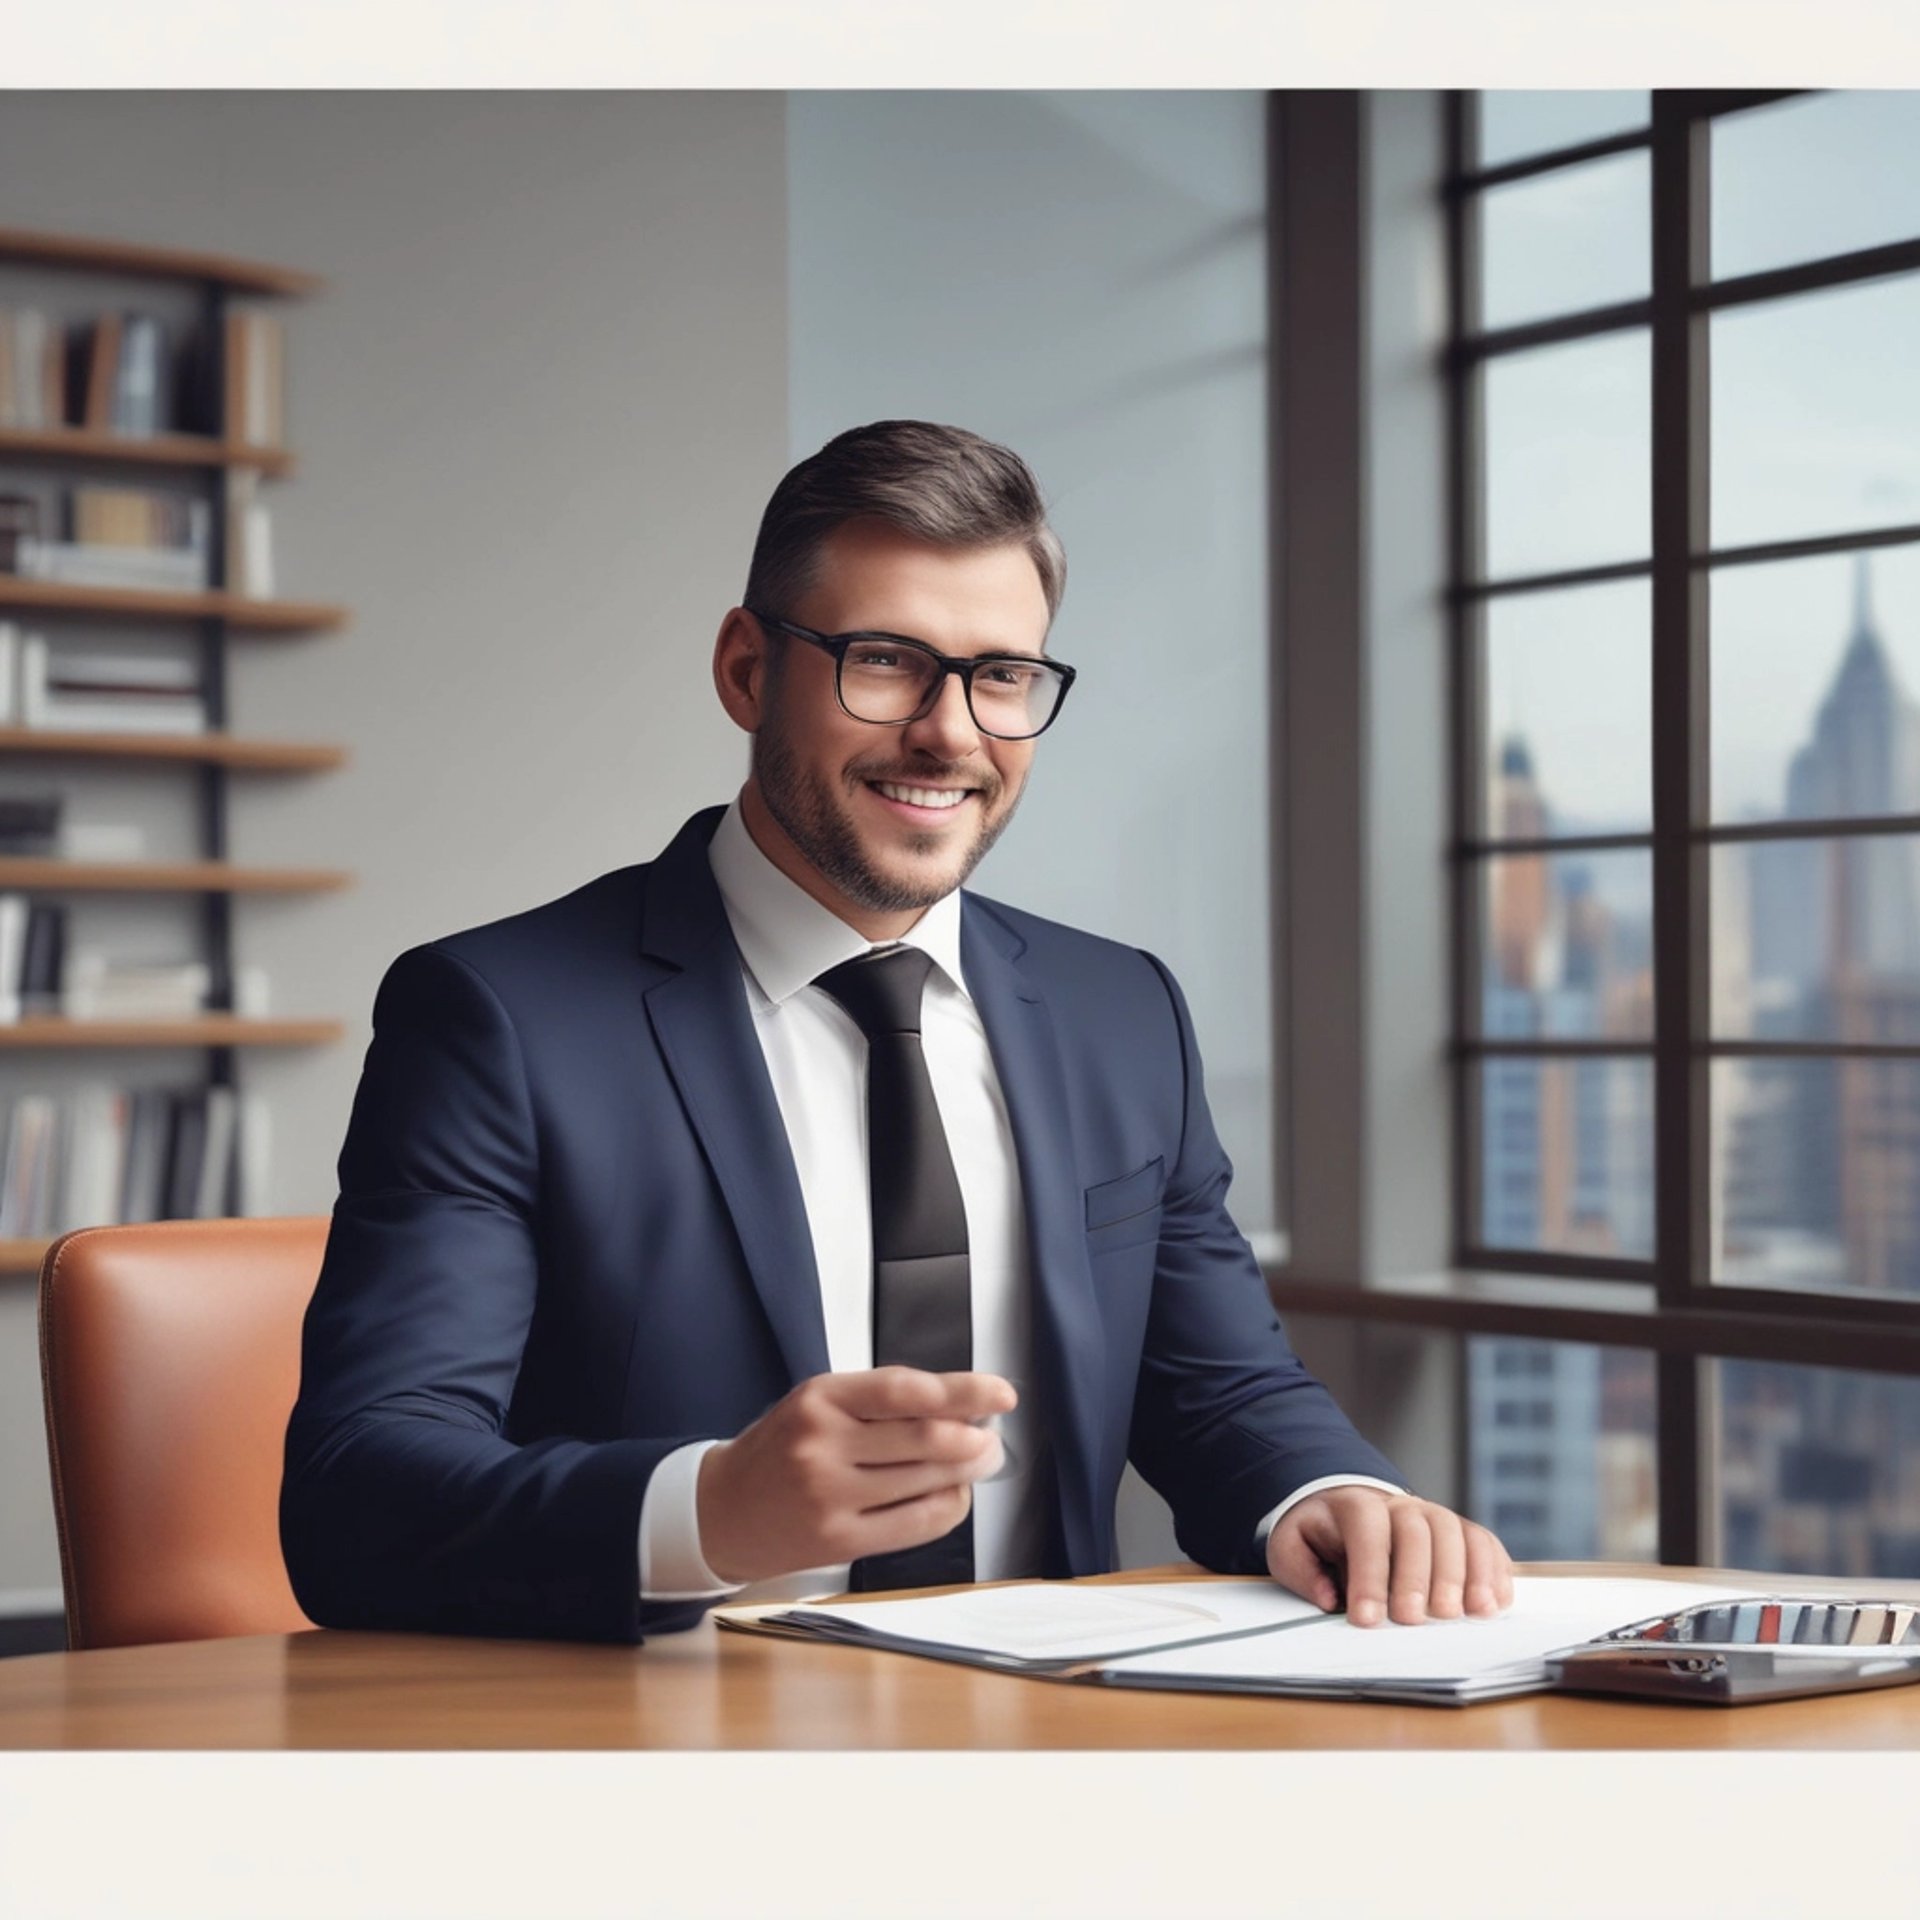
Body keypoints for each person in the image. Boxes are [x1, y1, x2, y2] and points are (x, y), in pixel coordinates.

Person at [281, 420, 1513, 1644]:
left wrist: (1335, 1493)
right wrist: (709, 1511)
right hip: (674, 1762)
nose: (953, 732)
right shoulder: (499, 1016)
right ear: (747, 671)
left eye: (1003, 676)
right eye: (885, 661)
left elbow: (1218, 1386)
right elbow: (357, 1496)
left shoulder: (1121, 1012)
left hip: (1054, 1753)